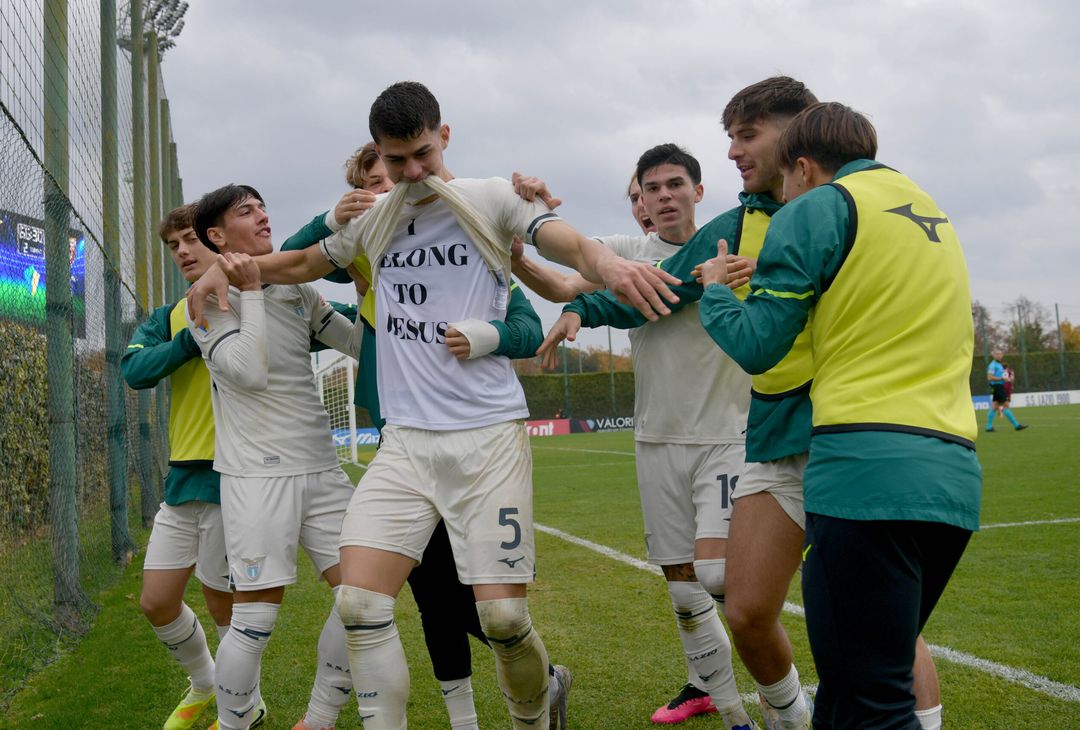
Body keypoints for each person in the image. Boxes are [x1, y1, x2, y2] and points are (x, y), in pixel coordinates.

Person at [186, 81, 680, 729]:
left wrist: (608, 267)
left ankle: (537, 712)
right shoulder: (375, 218)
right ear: (381, 159)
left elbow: (568, 245)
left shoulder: (492, 197)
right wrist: (226, 268)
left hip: (488, 440)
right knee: (361, 604)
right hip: (407, 445)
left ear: (443, 136)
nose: (412, 172)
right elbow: (305, 259)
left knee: (503, 619)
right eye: (397, 162)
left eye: (421, 154)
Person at [696, 101, 981, 729]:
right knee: (867, 692)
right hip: (953, 474)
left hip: (862, 473)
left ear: (802, 167)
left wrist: (717, 291)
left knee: (866, 707)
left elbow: (759, 343)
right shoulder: (929, 209)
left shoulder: (817, 207)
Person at [280, 143, 573, 730]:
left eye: (387, 180)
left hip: (472, 444)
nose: (385, 193)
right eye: (371, 185)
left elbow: (525, 324)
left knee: (483, 608)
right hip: (403, 448)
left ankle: (535, 688)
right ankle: (455, 716)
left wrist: (486, 333)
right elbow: (290, 260)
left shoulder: (466, 248)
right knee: (411, 596)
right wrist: (332, 218)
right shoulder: (364, 272)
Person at [522, 144, 758, 729]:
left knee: (720, 577)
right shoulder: (627, 255)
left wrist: (590, 308)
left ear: (699, 192)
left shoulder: (738, 245)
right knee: (682, 587)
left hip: (728, 436)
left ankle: (778, 703)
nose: (657, 199)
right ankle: (718, 699)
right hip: (655, 441)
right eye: (646, 191)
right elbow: (560, 284)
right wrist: (515, 231)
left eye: (673, 185)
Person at [186, 184, 365, 730]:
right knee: (256, 619)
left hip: (322, 469)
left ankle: (318, 718)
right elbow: (249, 371)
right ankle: (237, 723)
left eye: (263, 206)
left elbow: (359, 345)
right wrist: (254, 292)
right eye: (246, 211)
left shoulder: (299, 291)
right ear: (217, 235)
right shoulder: (202, 300)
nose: (263, 214)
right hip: (258, 478)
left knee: (362, 599)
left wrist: (372, 291)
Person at [122, 205, 265, 730]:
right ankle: (206, 683)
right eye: (173, 245)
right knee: (157, 602)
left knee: (227, 611)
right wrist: (191, 337)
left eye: (189, 240)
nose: (182, 252)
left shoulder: (253, 300)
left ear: (215, 238)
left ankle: (244, 707)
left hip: (234, 477)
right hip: (182, 481)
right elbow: (135, 369)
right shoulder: (168, 317)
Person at [987, 350, 1027, 431]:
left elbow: (1000, 376)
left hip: (999, 386)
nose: (999, 355)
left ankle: (989, 427)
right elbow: (989, 377)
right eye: (997, 354)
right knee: (1006, 405)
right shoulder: (992, 365)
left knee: (994, 407)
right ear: (993, 355)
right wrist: (1001, 378)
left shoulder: (999, 365)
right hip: (997, 387)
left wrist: (1006, 379)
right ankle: (1016, 425)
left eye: (1000, 354)